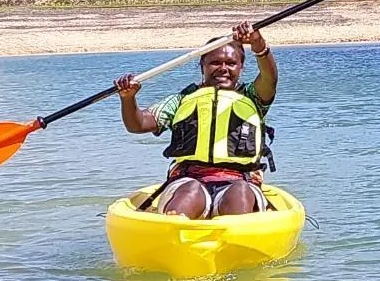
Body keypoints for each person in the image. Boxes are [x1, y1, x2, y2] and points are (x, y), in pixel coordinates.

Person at [114, 21, 277, 218]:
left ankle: (237, 236)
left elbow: (270, 78)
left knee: (239, 193)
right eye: (215, 63)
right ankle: (174, 227)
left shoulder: (253, 97)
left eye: (231, 63)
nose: (223, 68)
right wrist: (128, 98)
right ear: (203, 66)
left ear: (241, 66)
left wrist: (258, 45)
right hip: (188, 179)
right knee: (190, 191)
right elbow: (138, 124)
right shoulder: (182, 100)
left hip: (240, 179)